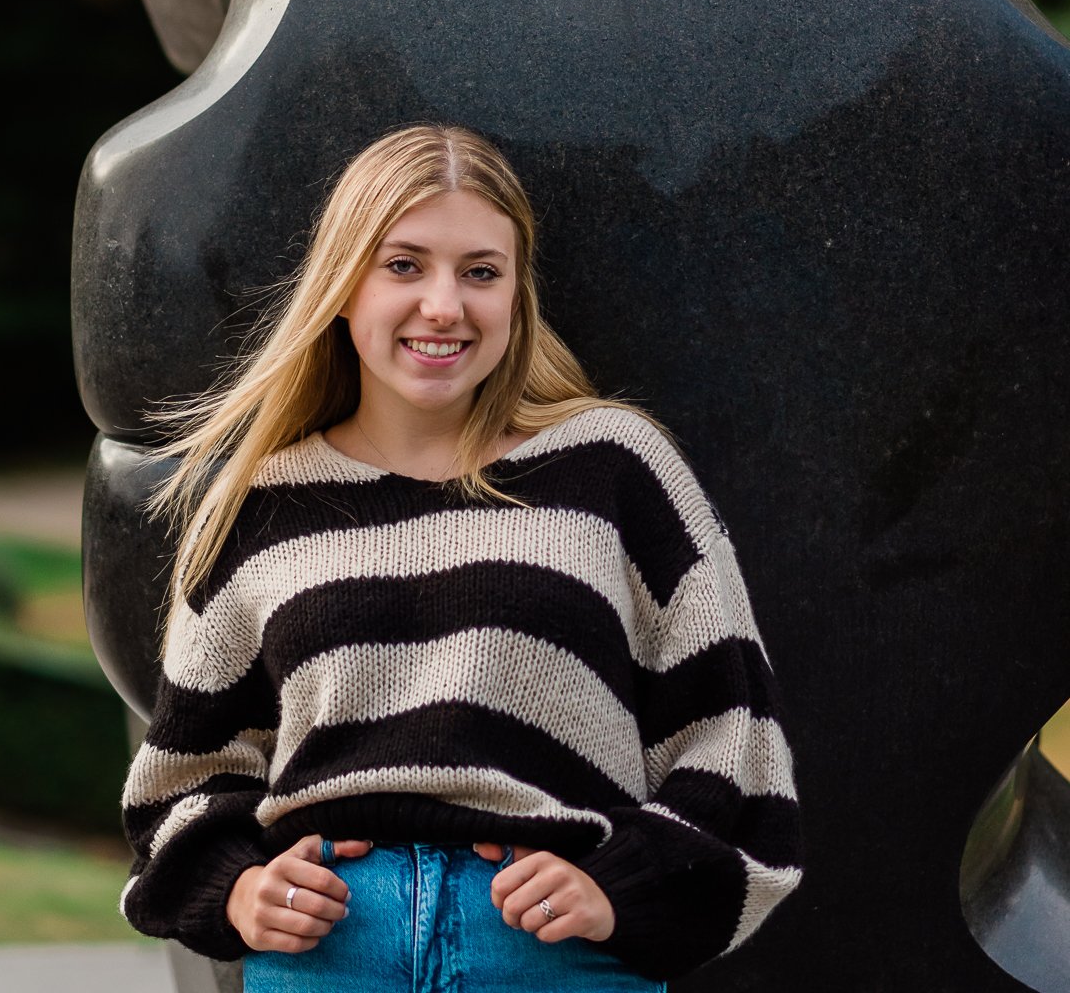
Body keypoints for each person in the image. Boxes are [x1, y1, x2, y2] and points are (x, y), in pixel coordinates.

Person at [116, 124, 803, 991]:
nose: (445, 305)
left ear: (516, 294)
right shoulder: (262, 501)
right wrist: (239, 888)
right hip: (331, 958)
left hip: (551, 957)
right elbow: (184, 770)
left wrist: (623, 883)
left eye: (481, 271)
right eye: (403, 265)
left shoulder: (613, 466)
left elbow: (732, 727)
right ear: (342, 286)